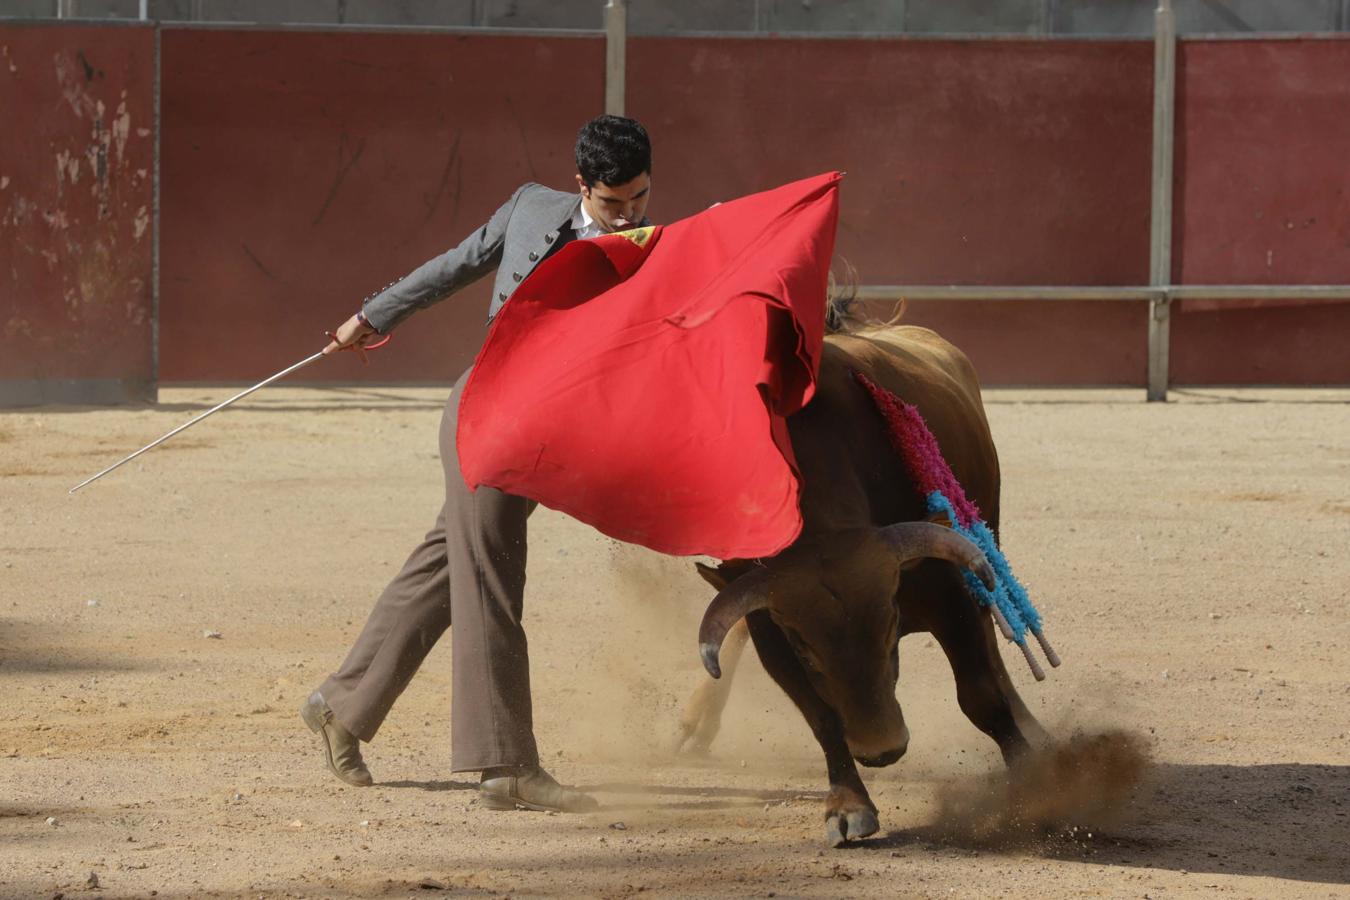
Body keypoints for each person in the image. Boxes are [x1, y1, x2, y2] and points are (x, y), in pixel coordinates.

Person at [300, 115, 653, 813]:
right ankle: (506, 765)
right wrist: (372, 315)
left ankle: (339, 705)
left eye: (639, 199)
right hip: (489, 409)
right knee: (492, 571)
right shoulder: (531, 206)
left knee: (446, 564)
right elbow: (456, 264)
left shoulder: (653, 248)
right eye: (614, 203)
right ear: (582, 184)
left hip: (550, 430)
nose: (628, 215)